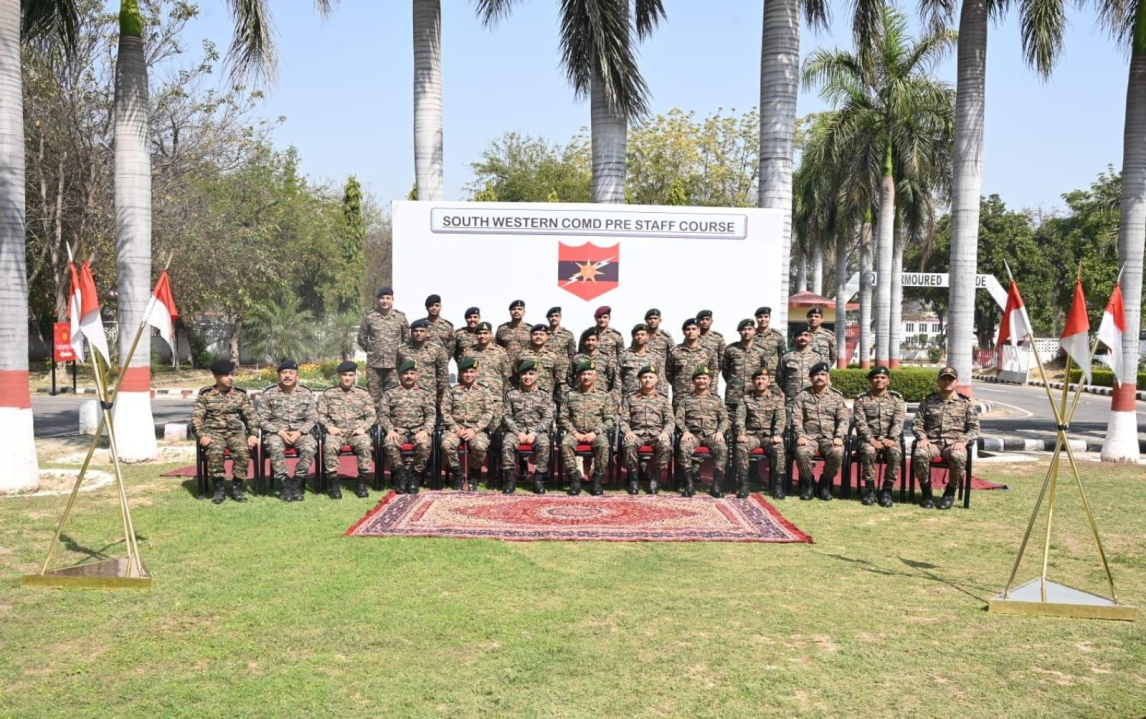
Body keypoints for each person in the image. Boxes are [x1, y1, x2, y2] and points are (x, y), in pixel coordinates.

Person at [912, 366, 980, 509]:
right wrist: (922, 438)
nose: (947, 382)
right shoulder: (928, 401)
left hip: (954, 444)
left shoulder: (965, 403)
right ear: (938, 382)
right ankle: (926, 492)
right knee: (919, 453)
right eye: (944, 379)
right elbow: (917, 423)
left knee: (958, 456)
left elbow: (974, 428)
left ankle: (950, 492)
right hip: (932, 443)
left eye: (950, 379)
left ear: (956, 382)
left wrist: (963, 441)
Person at [191, 358, 258, 504]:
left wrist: (253, 434)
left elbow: (251, 416)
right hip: (214, 433)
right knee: (214, 451)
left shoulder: (240, 394)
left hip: (235, 433)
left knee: (242, 450)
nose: (230, 378)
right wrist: (202, 435)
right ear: (216, 376)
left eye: (232, 374)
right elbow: (197, 417)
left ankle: (237, 487)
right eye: (226, 375)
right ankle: (219, 488)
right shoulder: (205, 394)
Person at [258, 359, 319, 502]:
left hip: (300, 432)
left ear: (297, 376)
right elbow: (262, 419)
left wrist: (300, 432)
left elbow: (313, 418)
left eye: (291, 373)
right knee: (275, 446)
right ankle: (284, 483)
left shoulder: (306, 393)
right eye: (284, 372)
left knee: (310, 446)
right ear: (279, 375)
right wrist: (279, 432)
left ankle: (297, 482)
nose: (287, 376)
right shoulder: (269, 394)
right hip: (276, 433)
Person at [791, 362, 850, 501]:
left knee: (837, 452)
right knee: (801, 452)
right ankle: (809, 484)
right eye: (816, 375)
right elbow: (796, 418)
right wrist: (800, 435)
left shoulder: (836, 396)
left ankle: (824, 484)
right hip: (808, 437)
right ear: (811, 378)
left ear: (828, 377)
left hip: (830, 438)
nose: (820, 377)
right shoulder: (802, 395)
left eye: (823, 374)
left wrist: (839, 436)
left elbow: (844, 419)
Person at [318, 361, 376, 499]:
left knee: (365, 445)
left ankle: (362, 480)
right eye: (344, 375)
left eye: (350, 375)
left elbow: (371, 415)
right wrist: (329, 427)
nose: (347, 378)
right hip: (336, 432)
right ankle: (333, 481)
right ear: (339, 376)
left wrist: (363, 428)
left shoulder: (363, 394)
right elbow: (320, 415)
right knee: (329, 446)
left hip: (356, 432)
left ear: (355, 376)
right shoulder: (329, 393)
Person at [378, 359, 436, 495]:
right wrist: (390, 429)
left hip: (418, 431)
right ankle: (401, 476)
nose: (409, 376)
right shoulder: (390, 393)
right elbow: (383, 414)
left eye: (412, 373)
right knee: (389, 444)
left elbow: (431, 414)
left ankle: (415, 476)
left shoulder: (425, 393)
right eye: (405, 373)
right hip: (398, 431)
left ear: (417, 375)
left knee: (425, 445)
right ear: (399, 375)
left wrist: (426, 431)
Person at [853, 366, 906, 508]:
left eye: (883, 377)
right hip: (868, 439)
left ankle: (886, 490)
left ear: (888, 380)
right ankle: (870, 489)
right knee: (868, 451)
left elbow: (898, 422)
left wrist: (891, 438)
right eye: (876, 377)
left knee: (895, 452)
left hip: (890, 438)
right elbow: (860, 422)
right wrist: (871, 439)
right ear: (871, 380)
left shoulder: (897, 400)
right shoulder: (861, 400)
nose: (879, 380)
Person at [560, 360, 614, 496]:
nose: (586, 377)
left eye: (589, 374)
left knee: (603, 445)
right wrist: (575, 433)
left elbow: (609, 420)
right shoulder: (570, 395)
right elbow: (562, 418)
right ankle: (574, 479)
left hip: (596, 433)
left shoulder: (604, 396)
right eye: (583, 374)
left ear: (595, 376)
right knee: (565, 444)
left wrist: (595, 433)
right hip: (575, 433)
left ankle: (597, 480)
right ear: (578, 376)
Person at [501, 360, 556, 494]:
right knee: (507, 444)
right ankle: (510, 479)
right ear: (519, 376)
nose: (527, 377)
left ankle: (538, 479)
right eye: (524, 374)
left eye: (531, 374)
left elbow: (548, 417)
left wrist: (534, 433)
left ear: (536, 375)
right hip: (516, 431)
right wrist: (518, 432)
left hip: (537, 431)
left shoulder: (544, 394)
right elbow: (506, 416)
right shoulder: (511, 394)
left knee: (544, 444)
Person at [440, 357, 495, 491]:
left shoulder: (484, 390)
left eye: (471, 372)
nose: (468, 375)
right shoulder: (452, 390)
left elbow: (488, 412)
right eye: (465, 372)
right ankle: (458, 474)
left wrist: (474, 430)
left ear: (476, 373)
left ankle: (473, 475)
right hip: (455, 429)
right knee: (446, 445)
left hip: (476, 430)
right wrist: (456, 429)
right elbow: (445, 411)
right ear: (460, 373)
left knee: (480, 446)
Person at [733, 367, 787, 500]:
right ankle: (743, 485)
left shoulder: (776, 399)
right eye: (757, 379)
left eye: (763, 379)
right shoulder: (745, 398)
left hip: (769, 436)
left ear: (769, 382)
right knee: (741, 446)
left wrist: (777, 434)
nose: (760, 381)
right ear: (753, 381)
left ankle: (777, 486)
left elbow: (780, 419)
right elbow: (739, 418)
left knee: (779, 448)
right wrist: (741, 433)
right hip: (752, 435)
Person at [619, 365, 673, 495]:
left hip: (656, 435)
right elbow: (623, 420)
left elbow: (670, 421)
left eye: (650, 377)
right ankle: (633, 479)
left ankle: (654, 479)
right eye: (644, 377)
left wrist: (665, 432)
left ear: (656, 379)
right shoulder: (631, 398)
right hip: (636, 434)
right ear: (639, 379)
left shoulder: (663, 399)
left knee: (666, 446)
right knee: (629, 444)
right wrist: (627, 431)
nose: (647, 380)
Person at [675, 367, 729, 497]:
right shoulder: (685, 399)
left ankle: (716, 485)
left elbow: (724, 419)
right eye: (698, 378)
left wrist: (720, 432)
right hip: (692, 435)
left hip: (712, 435)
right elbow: (679, 418)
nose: (701, 381)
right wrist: (685, 431)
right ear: (693, 381)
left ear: (709, 380)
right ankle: (689, 485)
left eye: (704, 378)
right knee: (684, 448)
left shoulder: (716, 400)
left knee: (722, 448)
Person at [357, 287, 409, 408]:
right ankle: (375, 419)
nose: (385, 301)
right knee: (373, 398)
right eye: (382, 298)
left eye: (388, 298)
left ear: (392, 300)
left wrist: (400, 354)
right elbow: (361, 338)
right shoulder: (370, 317)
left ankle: (390, 419)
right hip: (374, 365)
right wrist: (372, 351)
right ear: (378, 300)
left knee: (392, 396)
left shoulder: (400, 318)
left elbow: (407, 339)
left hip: (394, 365)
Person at [462, 321, 512, 432]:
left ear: (491, 335)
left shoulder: (500, 352)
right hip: (475, 399)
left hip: (495, 399)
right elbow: (462, 376)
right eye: (479, 333)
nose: (482, 336)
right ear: (476, 335)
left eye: (485, 333)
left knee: (496, 431)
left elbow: (506, 376)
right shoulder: (468, 353)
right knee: (475, 432)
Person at [667, 318, 719, 409]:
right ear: (684, 332)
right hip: (680, 395)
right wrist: (678, 384)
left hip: (702, 396)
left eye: (693, 329)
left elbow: (713, 373)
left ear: (698, 331)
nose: (691, 332)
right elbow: (668, 372)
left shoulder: (708, 352)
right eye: (688, 329)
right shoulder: (675, 351)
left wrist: (712, 392)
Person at [397, 319, 450, 407]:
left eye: (422, 331)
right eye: (415, 331)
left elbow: (443, 374)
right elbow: (398, 370)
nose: (418, 333)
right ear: (411, 333)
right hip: (408, 395)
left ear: (427, 333)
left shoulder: (436, 349)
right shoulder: (402, 350)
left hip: (429, 394)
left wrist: (441, 396)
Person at [722, 319, 765, 412]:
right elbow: (725, 371)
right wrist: (734, 383)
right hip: (733, 396)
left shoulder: (761, 351)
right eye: (743, 329)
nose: (746, 332)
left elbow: (763, 373)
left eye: (749, 329)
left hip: (753, 395)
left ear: (754, 331)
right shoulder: (731, 349)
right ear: (739, 332)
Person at [516, 323, 566, 401]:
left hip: (546, 398)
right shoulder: (522, 355)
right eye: (535, 334)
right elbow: (515, 375)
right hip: (524, 398)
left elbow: (559, 379)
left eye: (541, 334)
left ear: (547, 337)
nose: (538, 337)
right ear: (530, 336)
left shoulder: (554, 357)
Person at [571, 328, 618, 408]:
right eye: (588, 340)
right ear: (583, 342)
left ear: (598, 342)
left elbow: (611, 378)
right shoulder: (576, 359)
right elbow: (570, 377)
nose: (590, 342)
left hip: (600, 398)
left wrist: (603, 390)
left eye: (593, 340)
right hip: (580, 397)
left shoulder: (605, 359)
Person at [778, 324, 825, 402]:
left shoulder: (818, 356)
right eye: (799, 335)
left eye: (806, 335)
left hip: (812, 399)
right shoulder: (786, 356)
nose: (802, 338)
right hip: (792, 399)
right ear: (795, 338)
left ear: (810, 338)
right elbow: (780, 378)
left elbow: (824, 377)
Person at [619, 323, 668, 397]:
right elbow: (618, 380)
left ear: (647, 336)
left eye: (642, 334)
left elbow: (661, 380)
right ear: (633, 336)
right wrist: (618, 400)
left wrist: (662, 397)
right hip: (629, 397)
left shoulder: (655, 357)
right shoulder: (624, 355)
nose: (639, 337)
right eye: (637, 334)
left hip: (650, 398)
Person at [496, 299, 532, 369]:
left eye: (519, 309)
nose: (516, 311)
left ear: (524, 312)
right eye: (514, 309)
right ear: (510, 312)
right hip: (507, 367)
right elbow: (497, 348)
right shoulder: (502, 329)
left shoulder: (530, 329)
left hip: (525, 366)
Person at [696, 309, 726, 393]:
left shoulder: (718, 338)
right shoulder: (692, 336)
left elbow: (723, 360)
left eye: (707, 319)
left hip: (711, 378)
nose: (704, 322)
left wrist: (714, 371)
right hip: (695, 376)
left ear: (711, 321)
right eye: (702, 319)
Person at [752, 306, 787, 376]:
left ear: (770, 318)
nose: (763, 319)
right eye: (760, 317)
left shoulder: (777, 335)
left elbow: (783, 356)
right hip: (755, 375)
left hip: (773, 376)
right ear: (756, 319)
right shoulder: (751, 335)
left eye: (766, 317)